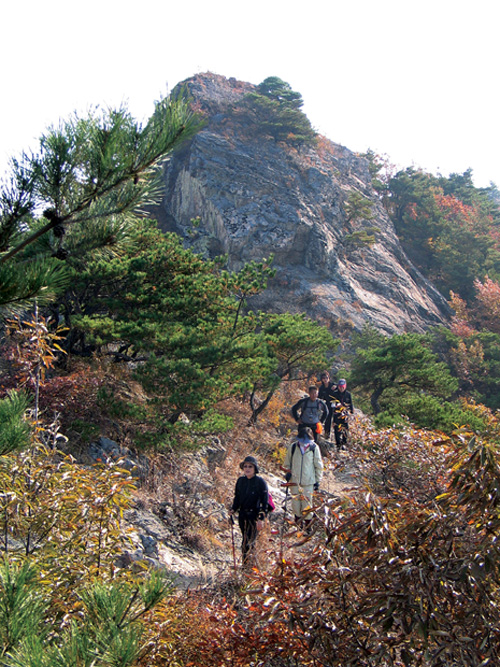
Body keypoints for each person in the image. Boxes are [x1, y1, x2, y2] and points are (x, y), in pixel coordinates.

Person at [283, 427, 323, 531]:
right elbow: (287, 464)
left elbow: (318, 466)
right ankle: (298, 526)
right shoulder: (293, 447)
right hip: (294, 482)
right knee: (296, 505)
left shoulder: (314, 448)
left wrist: (317, 481)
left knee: (307, 506)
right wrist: (287, 473)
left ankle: (308, 527)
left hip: (308, 483)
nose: (304, 443)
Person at [229, 455, 269, 564]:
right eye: (245, 466)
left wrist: (261, 519)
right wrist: (233, 509)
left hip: (254, 516)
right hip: (242, 515)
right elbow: (237, 497)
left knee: (249, 542)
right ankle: (246, 565)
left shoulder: (260, 482)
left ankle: (248, 566)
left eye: (250, 466)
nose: (247, 469)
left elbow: (264, 502)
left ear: (255, 469)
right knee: (245, 539)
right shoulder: (240, 481)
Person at [328, 378, 354, 450]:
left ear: (345, 386)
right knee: (337, 429)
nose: (341, 388)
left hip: (345, 414)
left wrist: (351, 411)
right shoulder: (334, 394)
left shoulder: (348, 394)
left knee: (345, 428)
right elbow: (332, 404)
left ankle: (344, 443)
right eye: (340, 387)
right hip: (337, 414)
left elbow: (350, 404)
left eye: (343, 387)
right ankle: (338, 444)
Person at [317, 371, 336, 440]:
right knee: (326, 419)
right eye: (323, 378)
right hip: (325, 405)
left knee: (332, 420)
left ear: (329, 378)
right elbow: (319, 397)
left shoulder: (333, 385)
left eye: (326, 378)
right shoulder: (321, 388)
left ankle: (331, 434)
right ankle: (326, 433)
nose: (325, 379)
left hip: (333, 405)